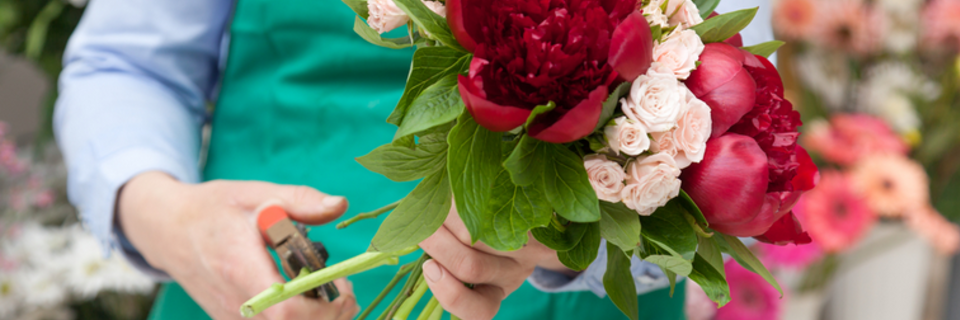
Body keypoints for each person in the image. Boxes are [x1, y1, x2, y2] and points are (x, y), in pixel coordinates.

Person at [54, 0, 773, 319]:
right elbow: (129, 63)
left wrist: (570, 234)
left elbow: (717, 106)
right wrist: (171, 218)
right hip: (255, 285)